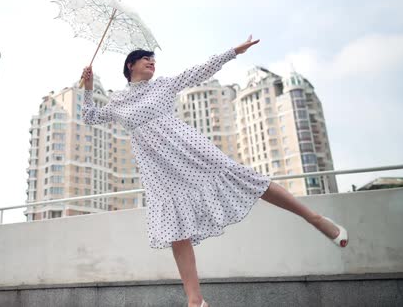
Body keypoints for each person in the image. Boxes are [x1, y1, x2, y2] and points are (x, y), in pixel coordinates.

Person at [81, 35, 348, 307]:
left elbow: (198, 71)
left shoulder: (163, 85)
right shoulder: (118, 101)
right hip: (158, 168)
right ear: (130, 65)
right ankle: (195, 301)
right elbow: (89, 116)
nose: (152, 62)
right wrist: (89, 88)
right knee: (176, 228)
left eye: (154, 60)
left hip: (187, 147)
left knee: (245, 179)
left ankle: (314, 218)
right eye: (146, 59)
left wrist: (233, 52)